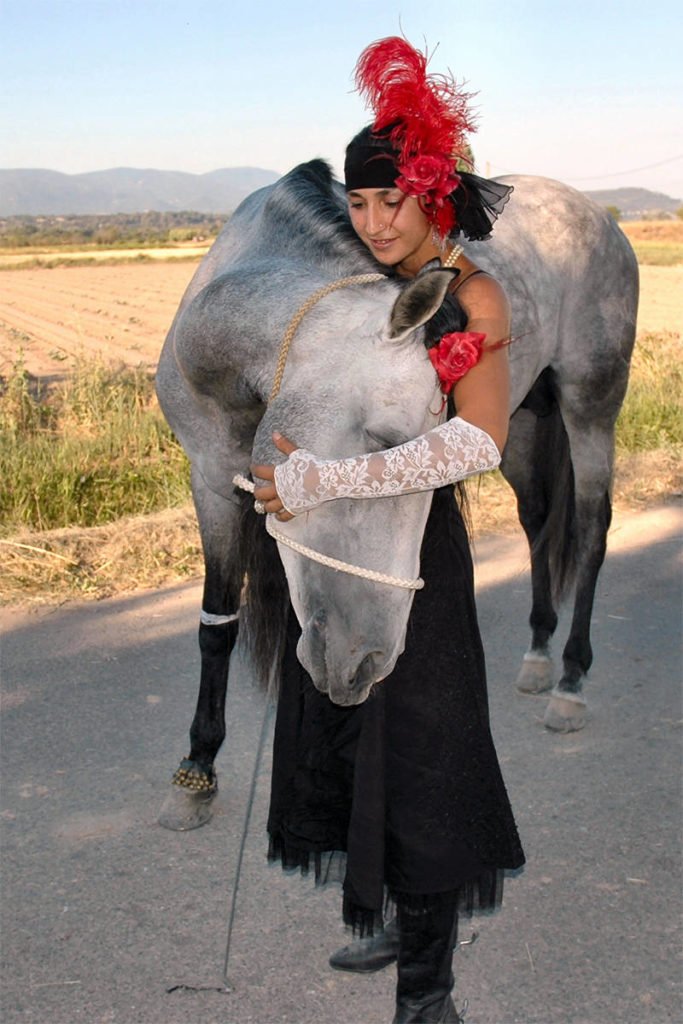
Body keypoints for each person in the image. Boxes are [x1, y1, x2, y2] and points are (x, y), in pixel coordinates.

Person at [252, 36, 525, 1024]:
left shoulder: (473, 298)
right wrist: (289, 464)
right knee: (348, 737)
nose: (370, 222)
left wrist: (335, 476)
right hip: (334, 549)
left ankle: (427, 993)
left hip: (416, 559)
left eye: (388, 202)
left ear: (430, 197)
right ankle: (381, 909)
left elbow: (478, 441)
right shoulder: (357, 292)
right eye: (356, 204)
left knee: (421, 757)